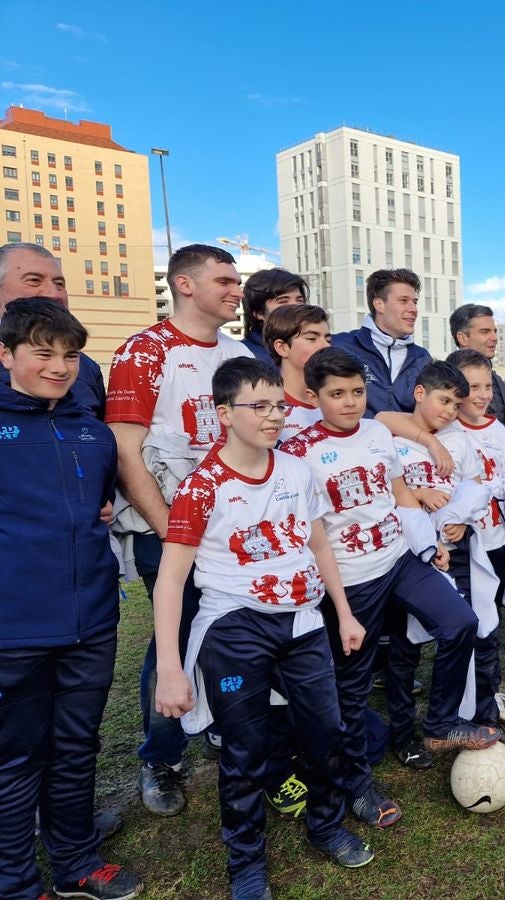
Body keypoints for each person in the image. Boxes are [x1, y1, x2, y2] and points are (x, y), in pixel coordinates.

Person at [152, 358, 374, 898]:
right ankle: (246, 864)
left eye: (278, 404)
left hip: (302, 623)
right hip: (235, 629)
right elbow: (170, 581)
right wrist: (168, 669)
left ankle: (326, 825)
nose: (275, 416)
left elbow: (318, 543)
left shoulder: (297, 470)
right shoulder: (202, 487)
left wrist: (343, 613)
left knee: (326, 735)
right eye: (259, 406)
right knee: (246, 752)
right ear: (223, 413)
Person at [0, 300, 143, 900]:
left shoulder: (93, 429)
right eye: (42, 353)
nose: (58, 366)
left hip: (92, 618)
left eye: (69, 354)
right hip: (15, 630)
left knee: (77, 745)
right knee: (14, 761)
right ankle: (15, 883)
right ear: (7, 354)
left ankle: (77, 864)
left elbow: (101, 506)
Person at [105, 244, 254, 816]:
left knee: (233, 633)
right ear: (184, 285)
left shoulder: (238, 352)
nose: (235, 289)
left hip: (233, 527)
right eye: (224, 279)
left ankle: (222, 726)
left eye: (237, 280)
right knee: (176, 636)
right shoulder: (145, 351)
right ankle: (160, 758)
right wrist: (174, 533)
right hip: (165, 528)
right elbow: (125, 447)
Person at [279, 347, 444, 829]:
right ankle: (356, 782)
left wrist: (429, 539)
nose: (350, 402)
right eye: (337, 394)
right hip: (349, 580)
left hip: (398, 559)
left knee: (461, 623)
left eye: (357, 391)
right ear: (313, 397)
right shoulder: (298, 452)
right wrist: (336, 600)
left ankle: (434, 727)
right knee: (351, 687)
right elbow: (308, 533)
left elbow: (397, 490)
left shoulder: (376, 431)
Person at [382, 361, 501, 756]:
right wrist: (417, 495)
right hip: (400, 555)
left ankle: (448, 718)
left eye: (455, 404)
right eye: (444, 400)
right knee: (402, 649)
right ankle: (402, 736)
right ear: (420, 393)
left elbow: (475, 485)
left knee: (464, 628)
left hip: (450, 552)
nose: (450, 411)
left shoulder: (461, 439)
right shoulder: (389, 431)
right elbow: (382, 482)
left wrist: (462, 523)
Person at [441, 349, 505, 750]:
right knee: (471, 631)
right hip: (465, 551)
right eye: (471, 387)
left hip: (501, 543)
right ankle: (470, 715)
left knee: (490, 628)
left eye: (486, 386)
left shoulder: (498, 432)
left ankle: (486, 705)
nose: (480, 395)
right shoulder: (444, 436)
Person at [0, 241, 105, 418]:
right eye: (34, 280)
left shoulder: (85, 368)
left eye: (59, 284)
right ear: (5, 355)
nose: (53, 294)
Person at [331, 268, 431, 415]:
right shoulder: (339, 346)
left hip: (408, 437)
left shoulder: (422, 358)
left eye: (414, 302)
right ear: (379, 305)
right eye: (403, 301)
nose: (413, 309)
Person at [262, 304, 331, 444]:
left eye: (328, 339)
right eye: (312, 338)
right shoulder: (261, 408)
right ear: (282, 347)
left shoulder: (337, 403)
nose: (326, 346)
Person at [449, 303, 505, 432]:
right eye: (485, 332)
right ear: (463, 338)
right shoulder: (447, 379)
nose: (494, 338)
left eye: (494, 331)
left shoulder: (497, 379)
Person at [239, 268, 307, 366]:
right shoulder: (243, 355)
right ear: (258, 313)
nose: (295, 307)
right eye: (283, 301)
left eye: (299, 300)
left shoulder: (318, 346)